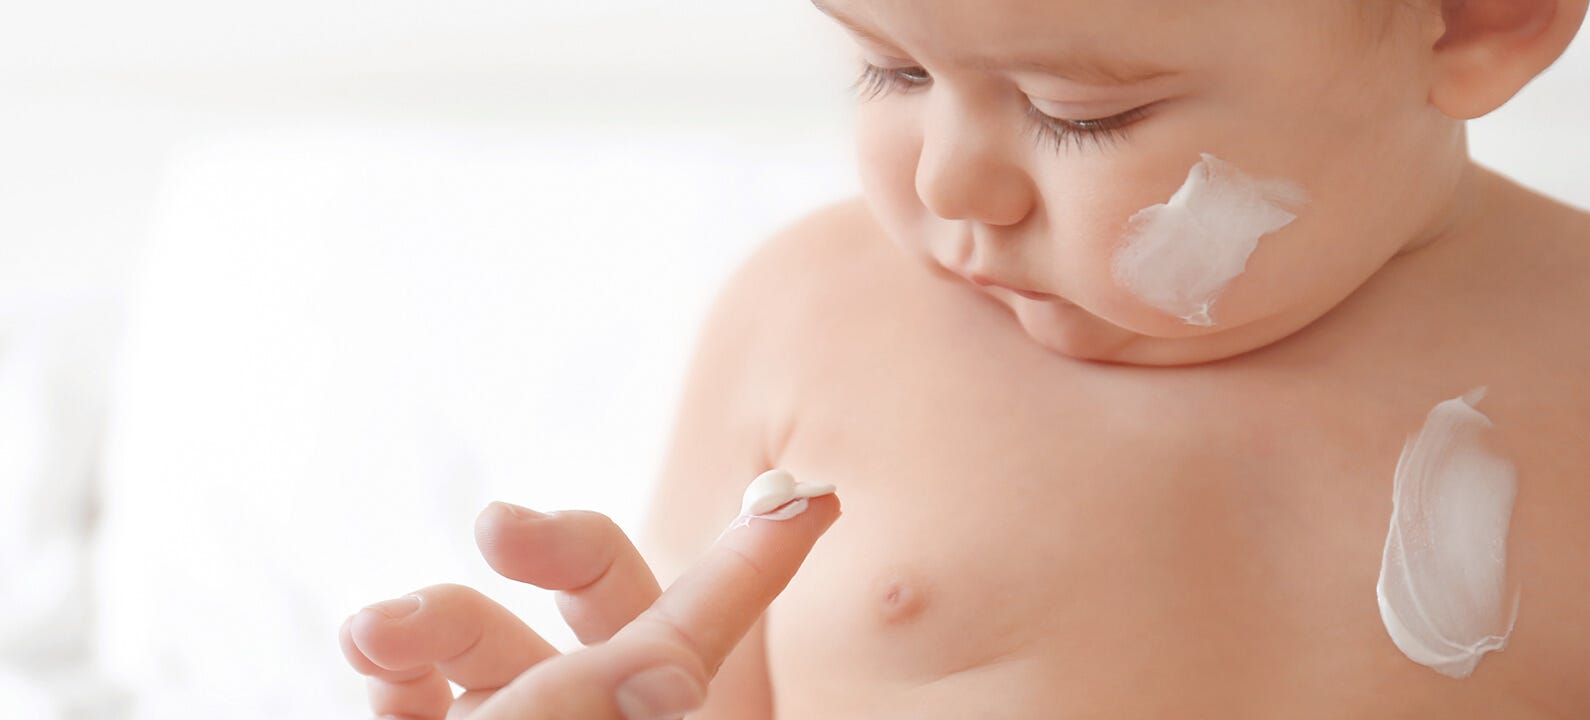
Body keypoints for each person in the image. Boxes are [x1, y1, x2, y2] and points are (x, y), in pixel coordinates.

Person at [339, 0, 1590, 716]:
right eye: (889, 65)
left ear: (1476, 22)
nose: (947, 179)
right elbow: (676, 683)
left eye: (1075, 114)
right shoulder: (811, 327)